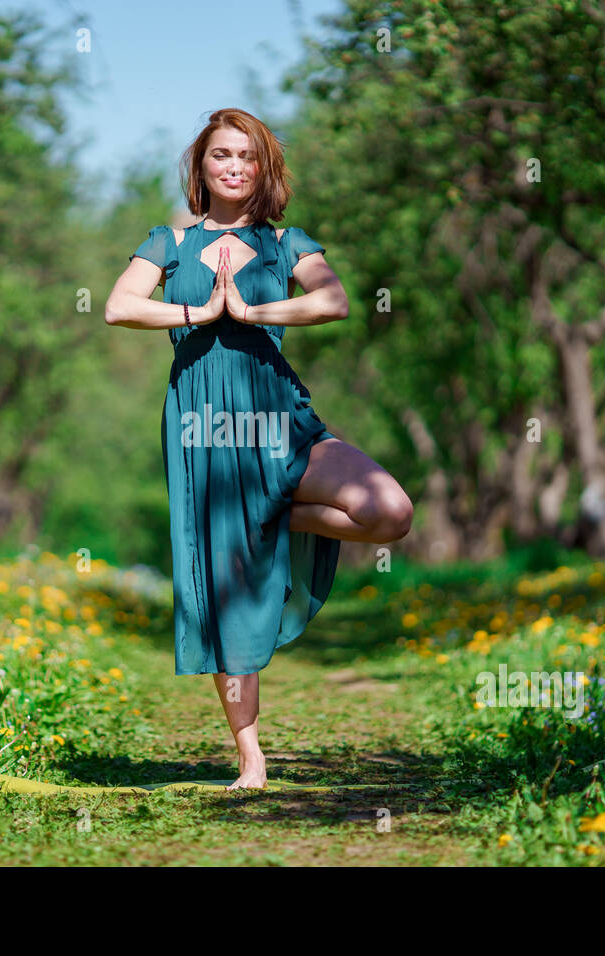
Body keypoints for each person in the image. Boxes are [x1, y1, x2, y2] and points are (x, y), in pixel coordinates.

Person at [106, 108, 413, 789]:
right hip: (204, 432)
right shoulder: (169, 243)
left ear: (263, 167)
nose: (234, 167)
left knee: (390, 510)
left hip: (281, 417)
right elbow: (118, 305)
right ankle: (250, 754)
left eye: (247, 156)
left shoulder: (287, 244)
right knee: (227, 593)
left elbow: (331, 301)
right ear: (202, 166)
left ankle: (272, 518)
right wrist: (196, 314)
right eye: (221, 155)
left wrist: (253, 313)